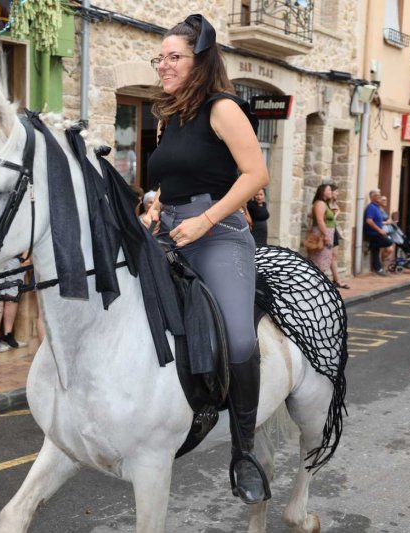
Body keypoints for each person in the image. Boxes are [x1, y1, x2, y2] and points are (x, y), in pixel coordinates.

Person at [142, 14, 270, 504]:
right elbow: (169, 178)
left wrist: (206, 220)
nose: (163, 65)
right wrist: (155, 206)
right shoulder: (168, 116)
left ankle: (244, 453)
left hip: (219, 236)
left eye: (174, 57)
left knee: (238, 339)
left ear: (200, 61)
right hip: (170, 231)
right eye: (159, 58)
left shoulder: (223, 108)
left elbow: (255, 174)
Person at [307, 184, 339, 282]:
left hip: (327, 233)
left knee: (325, 258)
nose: (331, 192)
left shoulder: (325, 203)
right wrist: (326, 235)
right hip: (321, 234)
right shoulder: (320, 203)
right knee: (319, 259)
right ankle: (315, 282)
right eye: (329, 190)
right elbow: (320, 220)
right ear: (322, 192)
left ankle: (318, 281)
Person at [363, 189, 392, 276]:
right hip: (373, 233)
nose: (379, 197)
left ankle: (378, 269)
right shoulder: (371, 207)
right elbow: (369, 220)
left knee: (376, 251)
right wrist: (379, 230)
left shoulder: (377, 207)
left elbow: (379, 220)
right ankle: (371, 245)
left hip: (377, 232)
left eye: (379, 195)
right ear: (372, 197)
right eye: (377, 195)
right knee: (388, 242)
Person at [328, 184, 349, 289]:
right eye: (336, 191)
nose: (337, 193)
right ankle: (337, 280)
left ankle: (336, 279)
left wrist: (336, 213)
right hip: (329, 231)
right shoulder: (325, 204)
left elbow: (336, 213)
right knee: (329, 256)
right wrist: (335, 214)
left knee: (334, 256)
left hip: (334, 230)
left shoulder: (333, 203)